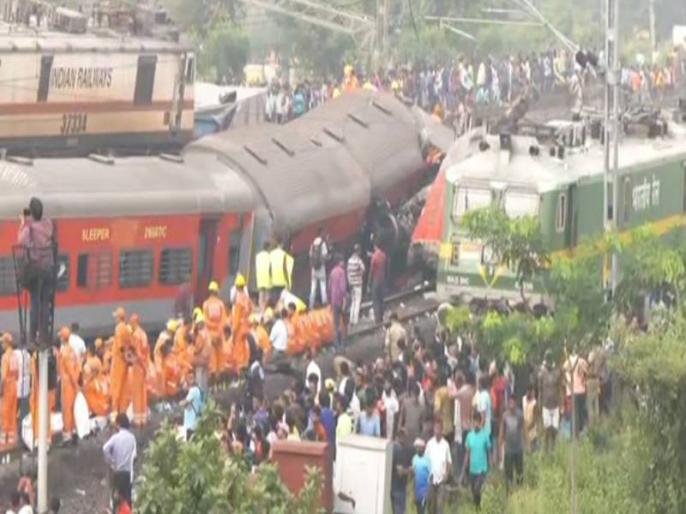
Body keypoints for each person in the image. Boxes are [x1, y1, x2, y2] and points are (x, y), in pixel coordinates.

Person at [17, 197, 55, 344]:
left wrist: (23, 223)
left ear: (31, 212)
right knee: (44, 302)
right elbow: (43, 223)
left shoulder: (29, 228)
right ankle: (44, 334)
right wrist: (32, 219)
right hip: (48, 268)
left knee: (34, 303)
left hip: (35, 269)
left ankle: (32, 336)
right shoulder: (48, 224)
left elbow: (21, 241)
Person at [103, 413, 136, 510]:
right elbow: (135, 456)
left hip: (117, 472)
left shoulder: (115, 438)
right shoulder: (132, 438)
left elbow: (105, 448)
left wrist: (111, 461)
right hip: (128, 474)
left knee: (116, 498)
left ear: (118, 424)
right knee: (127, 499)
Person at [461, 412, 491, 509]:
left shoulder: (485, 435)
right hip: (472, 469)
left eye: (478, 421)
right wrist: (463, 470)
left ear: (480, 422)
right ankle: (477, 508)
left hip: (482, 469)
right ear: (472, 422)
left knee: (477, 489)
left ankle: (478, 508)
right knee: (473, 491)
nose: (476, 423)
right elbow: (467, 454)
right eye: (474, 421)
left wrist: (490, 468)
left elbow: (488, 452)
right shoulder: (470, 436)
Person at [58, 326, 81, 445]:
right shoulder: (72, 350)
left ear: (63, 338)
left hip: (67, 384)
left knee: (67, 409)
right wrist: (76, 383)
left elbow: (69, 370)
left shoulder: (65, 352)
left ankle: (67, 436)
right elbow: (78, 367)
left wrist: (74, 383)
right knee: (73, 409)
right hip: (72, 383)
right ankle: (74, 432)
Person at [425, 420, 451, 514]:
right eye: (435, 429)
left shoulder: (446, 445)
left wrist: (446, 474)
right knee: (431, 506)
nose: (437, 431)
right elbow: (425, 460)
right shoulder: (429, 444)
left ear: (442, 430)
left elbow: (449, 462)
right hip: (431, 478)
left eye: (439, 429)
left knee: (440, 507)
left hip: (441, 480)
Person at [203, 281, 228, 381]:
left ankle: (213, 374)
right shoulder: (221, 304)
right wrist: (218, 330)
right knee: (220, 354)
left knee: (212, 355)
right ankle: (219, 374)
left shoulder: (206, 304)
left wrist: (212, 328)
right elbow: (224, 320)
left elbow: (205, 320)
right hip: (219, 333)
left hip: (210, 334)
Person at [500, 395, 525, 491]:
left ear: (516, 403)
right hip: (508, 449)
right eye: (510, 403)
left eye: (513, 403)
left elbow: (524, 429)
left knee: (519, 472)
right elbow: (502, 432)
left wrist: (527, 444)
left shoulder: (520, 415)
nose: (512, 405)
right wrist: (500, 446)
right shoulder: (505, 416)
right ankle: (509, 492)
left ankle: (520, 492)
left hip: (518, 448)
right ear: (508, 404)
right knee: (508, 473)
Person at [110, 307, 131, 418]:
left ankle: (115, 414)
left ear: (119, 317)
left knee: (116, 387)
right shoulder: (127, 329)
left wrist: (123, 355)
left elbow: (120, 346)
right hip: (124, 363)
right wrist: (127, 358)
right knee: (124, 388)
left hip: (118, 362)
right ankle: (122, 412)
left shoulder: (118, 328)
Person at [539, 350, 561, 452]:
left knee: (555, 430)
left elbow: (560, 389)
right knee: (547, 429)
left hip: (555, 405)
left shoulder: (557, 373)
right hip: (546, 405)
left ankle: (553, 450)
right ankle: (546, 451)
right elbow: (539, 390)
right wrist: (539, 404)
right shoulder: (542, 374)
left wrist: (562, 405)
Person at [129, 314, 149, 426]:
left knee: (137, 392)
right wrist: (146, 366)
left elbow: (137, 353)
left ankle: (138, 419)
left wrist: (141, 364)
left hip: (138, 366)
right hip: (144, 365)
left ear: (134, 322)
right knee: (143, 392)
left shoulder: (135, 335)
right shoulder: (144, 334)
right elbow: (145, 351)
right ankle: (143, 416)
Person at [231, 274, 253, 374]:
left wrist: (234, 331)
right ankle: (245, 364)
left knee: (238, 348)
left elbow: (237, 316)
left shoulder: (238, 300)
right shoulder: (246, 298)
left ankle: (239, 369)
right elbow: (250, 309)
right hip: (246, 326)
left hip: (239, 327)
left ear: (236, 286)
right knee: (245, 346)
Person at [1, 333, 18, 446]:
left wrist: (1, 388)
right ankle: (12, 437)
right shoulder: (14, 356)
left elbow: (3, 375)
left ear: (6, 343)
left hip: (7, 386)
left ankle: (3, 438)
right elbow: (17, 373)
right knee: (12, 411)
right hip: (14, 386)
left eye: (2, 342)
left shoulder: (5, 357)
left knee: (4, 412)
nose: (1, 344)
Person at [328, 255, 348, 353]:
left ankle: (336, 346)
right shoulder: (341, 272)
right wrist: (345, 299)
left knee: (335, 324)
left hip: (334, 301)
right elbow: (343, 288)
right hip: (341, 300)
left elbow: (329, 286)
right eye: (342, 261)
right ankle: (343, 345)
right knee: (344, 323)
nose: (343, 263)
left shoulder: (332, 272)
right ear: (340, 262)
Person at [390, 428, 412, 514]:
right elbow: (400, 471)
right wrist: (409, 470)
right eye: (406, 437)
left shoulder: (391, 448)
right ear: (401, 437)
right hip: (398, 488)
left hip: (392, 487)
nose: (407, 439)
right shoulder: (398, 449)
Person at [308, 228, 329, 308]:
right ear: (321, 233)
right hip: (321, 267)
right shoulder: (322, 243)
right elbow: (324, 255)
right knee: (323, 286)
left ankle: (311, 305)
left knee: (313, 287)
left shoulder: (312, 243)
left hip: (313, 268)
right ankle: (324, 304)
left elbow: (310, 255)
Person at [180, 371, 203, 440]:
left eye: (192, 378)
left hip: (192, 424)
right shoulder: (197, 390)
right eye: (189, 378)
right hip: (192, 424)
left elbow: (183, 403)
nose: (190, 380)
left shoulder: (194, 390)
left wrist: (181, 403)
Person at [346, 244, 365, 326]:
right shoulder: (358, 260)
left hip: (351, 285)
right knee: (357, 302)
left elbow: (347, 272)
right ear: (358, 251)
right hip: (358, 284)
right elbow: (364, 269)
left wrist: (350, 281)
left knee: (353, 302)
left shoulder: (349, 260)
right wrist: (359, 274)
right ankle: (355, 321)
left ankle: (351, 319)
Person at [411, 438, 431, 514]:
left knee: (423, 510)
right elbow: (414, 476)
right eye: (416, 447)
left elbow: (430, 476)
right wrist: (414, 493)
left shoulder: (427, 460)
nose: (417, 449)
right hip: (417, 490)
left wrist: (428, 491)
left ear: (423, 448)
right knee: (418, 510)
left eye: (419, 447)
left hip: (425, 490)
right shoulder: (414, 458)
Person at [369, 242, 387, 324]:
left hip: (376, 280)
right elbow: (386, 267)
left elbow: (371, 271)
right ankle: (382, 316)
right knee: (381, 299)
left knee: (375, 300)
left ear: (375, 246)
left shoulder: (374, 257)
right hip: (382, 279)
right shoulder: (383, 255)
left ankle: (377, 319)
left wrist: (369, 283)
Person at [269, 237, 291, 302]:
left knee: (274, 298)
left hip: (274, 280)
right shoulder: (284, 254)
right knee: (281, 299)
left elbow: (270, 268)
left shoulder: (271, 253)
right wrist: (287, 281)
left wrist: (270, 278)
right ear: (281, 244)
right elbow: (284, 268)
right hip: (282, 280)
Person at [255, 242, 272, 312]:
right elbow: (271, 268)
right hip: (267, 278)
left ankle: (261, 309)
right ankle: (264, 309)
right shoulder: (270, 256)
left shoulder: (258, 256)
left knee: (261, 296)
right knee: (267, 297)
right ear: (268, 248)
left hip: (260, 278)